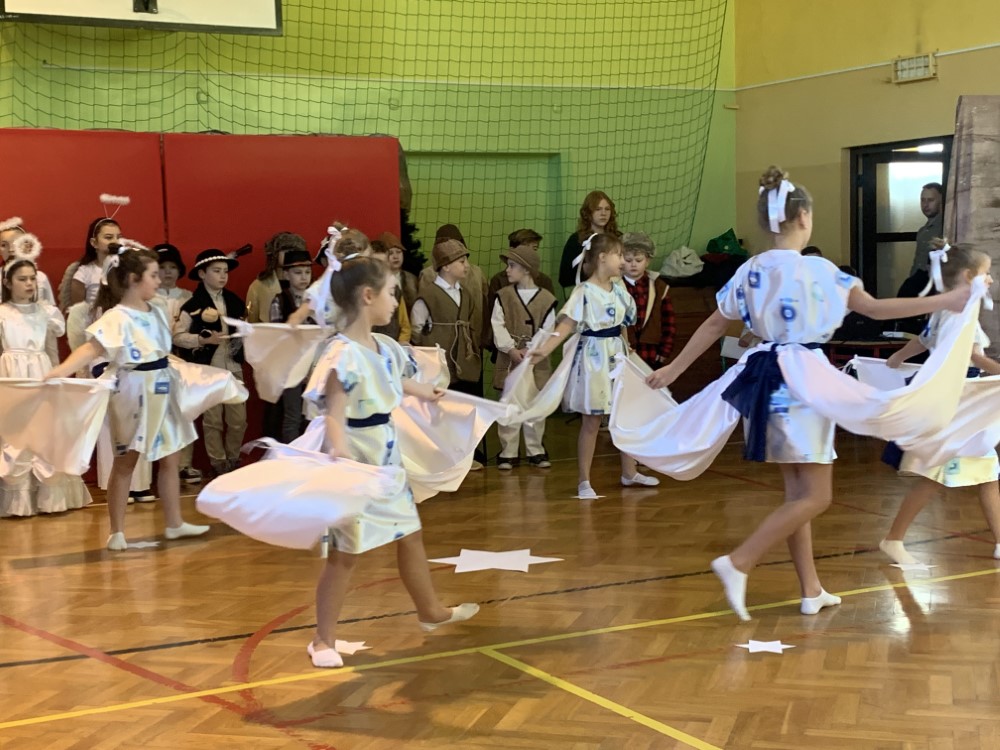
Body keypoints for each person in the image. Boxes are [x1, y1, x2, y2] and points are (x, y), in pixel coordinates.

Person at [644, 165, 973, 621]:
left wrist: (674, 369)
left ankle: (811, 589)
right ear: (804, 218)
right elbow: (874, 308)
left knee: (798, 494)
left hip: (763, 379)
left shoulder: (750, 269)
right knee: (816, 497)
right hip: (801, 380)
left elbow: (716, 323)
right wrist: (944, 300)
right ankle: (739, 561)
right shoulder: (818, 269)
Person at [303, 255, 479, 667]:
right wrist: (341, 454)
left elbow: (394, 379)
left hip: (386, 454)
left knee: (409, 533)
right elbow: (334, 413)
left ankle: (430, 610)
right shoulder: (341, 354)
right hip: (356, 458)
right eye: (391, 292)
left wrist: (424, 391)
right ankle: (322, 639)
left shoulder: (384, 347)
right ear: (368, 296)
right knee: (346, 552)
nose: (395, 299)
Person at [45, 246, 213, 550]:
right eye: (153, 275)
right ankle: (117, 531)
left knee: (171, 457)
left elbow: (160, 353)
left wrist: (193, 372)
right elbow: (91, 348)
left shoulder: (157, 311)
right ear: (134, 279)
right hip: (133, 391)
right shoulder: (117, 316)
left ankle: (174, 523)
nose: (159, 280)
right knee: (126, 462)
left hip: (163, 387)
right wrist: (60, 370)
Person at [880, 244, 1000, 564]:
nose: (990, 280)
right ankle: (894, 538)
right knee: (933, 476)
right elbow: (974, 356)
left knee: (988, 472)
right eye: (986, 273)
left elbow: (923, 340)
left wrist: (898, 356)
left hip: (960, 404)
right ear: (969, 276)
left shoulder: (943, 309)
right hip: (957, 405)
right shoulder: (962, 313)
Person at [530, 232, 660, 498]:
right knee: (592, 421)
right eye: (618, 255)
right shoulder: (584, 292)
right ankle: (584, 480)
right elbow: (566, 325)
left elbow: (622, 324)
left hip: (616, 355)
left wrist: (626, 347)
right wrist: (545, 349)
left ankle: (629, 472)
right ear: (602, 258)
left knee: (624, 416)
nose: (622, 261)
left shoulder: (618, 287)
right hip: (594, 358)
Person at [0, 256, 91, 516]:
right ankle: (18, 501)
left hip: (40, 372)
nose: (29, 283)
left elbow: (52, 347)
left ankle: (50, 498)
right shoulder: (2, 312)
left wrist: (57, 375)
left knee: (43, 432)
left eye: (32, 278)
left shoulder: (46, 312)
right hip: (11, 375)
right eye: (22, 279)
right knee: (15, 433)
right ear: (8, 283)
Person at [174, 250, 248, 477]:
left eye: (225, 271)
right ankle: (218, 462)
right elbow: (177, 336)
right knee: (213, 419)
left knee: (238, 419)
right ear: (202, 273)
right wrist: (201, 340)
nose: (222, 276)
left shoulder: (235, 301)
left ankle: (233, 457)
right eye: (216, 271)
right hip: (207, 368)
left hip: (232, 364)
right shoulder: (192, 305)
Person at [491, 244, 556, 470]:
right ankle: (508, 451)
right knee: (509, 404)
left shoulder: (546, 299)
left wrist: (533, 349)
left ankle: (535, 449)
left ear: (526, 269)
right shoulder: (503, 296)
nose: (507, 270)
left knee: (534, 403)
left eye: (512, 266)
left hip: (536, 360)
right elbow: (497, 324)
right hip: (511, 359)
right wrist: (510, 348)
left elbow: (548, 329)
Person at [269, 248, 315, 443]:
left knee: (314, 415)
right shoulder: (279, 300)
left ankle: (314, 453)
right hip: (291, 366)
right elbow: (279, 339)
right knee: (293, 415)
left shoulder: (318, 301)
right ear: (286, 274)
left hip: (317, 364)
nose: (304, 277)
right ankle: (292, 455)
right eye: (297, 272)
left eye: (307, 272)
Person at [621, 232, 675, 370]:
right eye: (628, 260)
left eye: (638, 260)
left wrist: (665, 350)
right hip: (622, 350)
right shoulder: (614, 285)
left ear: (648, 261)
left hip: (651, 351)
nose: (633, 264)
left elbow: (668, 322)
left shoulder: (659, 287)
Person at [558, 191, 620, 289]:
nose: (603, 213)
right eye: (598, 209)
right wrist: (584, 271)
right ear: (587, 213)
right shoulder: (576, 240)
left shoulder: (618, 238)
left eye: (607, 209)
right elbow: (564, 278)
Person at [68, 218, 122, 307]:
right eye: (108, 237)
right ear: (94, 243)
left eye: (118, 237)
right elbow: (77, 311)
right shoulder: (83, 274)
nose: (115, 241)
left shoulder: (127, 270)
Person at [370, 239, 412, 343]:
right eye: (375, 263)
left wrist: (399, 345)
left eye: (383, 263)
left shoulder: (396, 291)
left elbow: (405, 326)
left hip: (391, 345)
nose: (379, 268)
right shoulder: (359, 291)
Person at [382, 231, 419, 314]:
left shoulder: (411, 279)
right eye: (390, 253)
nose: (396, 256)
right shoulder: (378, 280)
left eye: (399, 252)